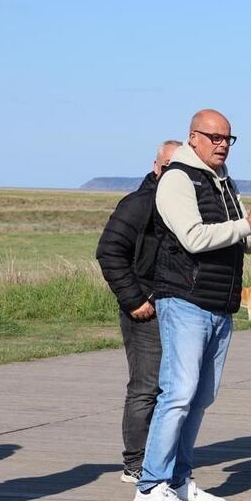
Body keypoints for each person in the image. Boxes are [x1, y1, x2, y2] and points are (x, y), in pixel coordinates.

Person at [132, 109, 251, 501]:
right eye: (215, 137)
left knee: (201, 396)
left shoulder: (223, 181)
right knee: (178, 392)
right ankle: (150, 484)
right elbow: (193, 238)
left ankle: (179, 481)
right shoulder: (178, 178)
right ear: (193, 137)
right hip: (185, 301)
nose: (223, 144)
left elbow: (241, 243)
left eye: (229, 138)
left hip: (219, 304)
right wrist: (249, 221)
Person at [96, 139, 181, 483]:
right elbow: (109, 251)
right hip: (145, 307)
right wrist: (134, 299)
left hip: (178, 306)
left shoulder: (183, 205)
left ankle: (161, 456)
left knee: (173, 386)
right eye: (170, 167)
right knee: (146, 385)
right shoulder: (140, 204)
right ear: (157, 165)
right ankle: (135, 462)